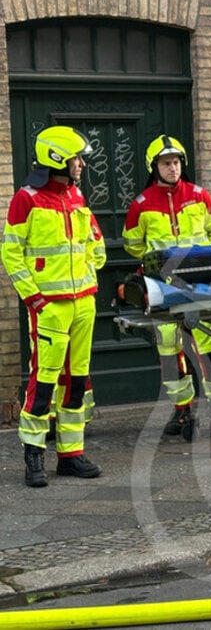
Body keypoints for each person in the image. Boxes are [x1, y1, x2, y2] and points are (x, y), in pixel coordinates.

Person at [1, 125, 107, 487]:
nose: (81, 164)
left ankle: (71, 454)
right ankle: (34, 455)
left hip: (84, 303)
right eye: (77, 158)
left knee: (76, 381)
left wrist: (93, 269)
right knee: (43, 381)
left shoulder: (76, 195)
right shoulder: (25, 199)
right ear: (58, 159)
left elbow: (94, 239)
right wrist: (35, 298)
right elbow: (11, 253)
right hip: (49, 306)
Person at [122, 134, 211, 438]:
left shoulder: (200, 195)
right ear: (154, 167)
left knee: (209, 346)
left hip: (198, 283)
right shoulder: (141, 205)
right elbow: (132, 245)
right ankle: (181, 410)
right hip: (161, 285)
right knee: (169, 350)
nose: (173, 168)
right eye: (166, 163)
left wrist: (202, 261)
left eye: (176, 162)